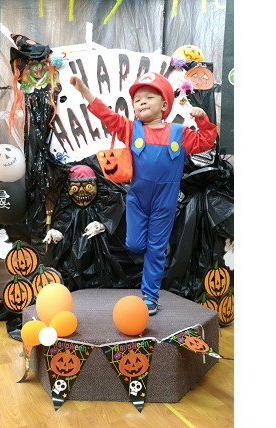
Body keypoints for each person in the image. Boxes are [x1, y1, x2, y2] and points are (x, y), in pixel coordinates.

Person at [69, 71, 217, 315]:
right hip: (138, 199)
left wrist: (202, 120)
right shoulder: (130, 129)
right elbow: (106, 115)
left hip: (165, 201)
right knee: (136, 244)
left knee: (155, 249)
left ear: (165, 105)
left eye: (149, 97)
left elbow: (206, 141)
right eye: (137, 100)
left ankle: (150, 296)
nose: (142, 102)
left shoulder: (179, 133)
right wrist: (84, 90)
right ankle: (153, 249)